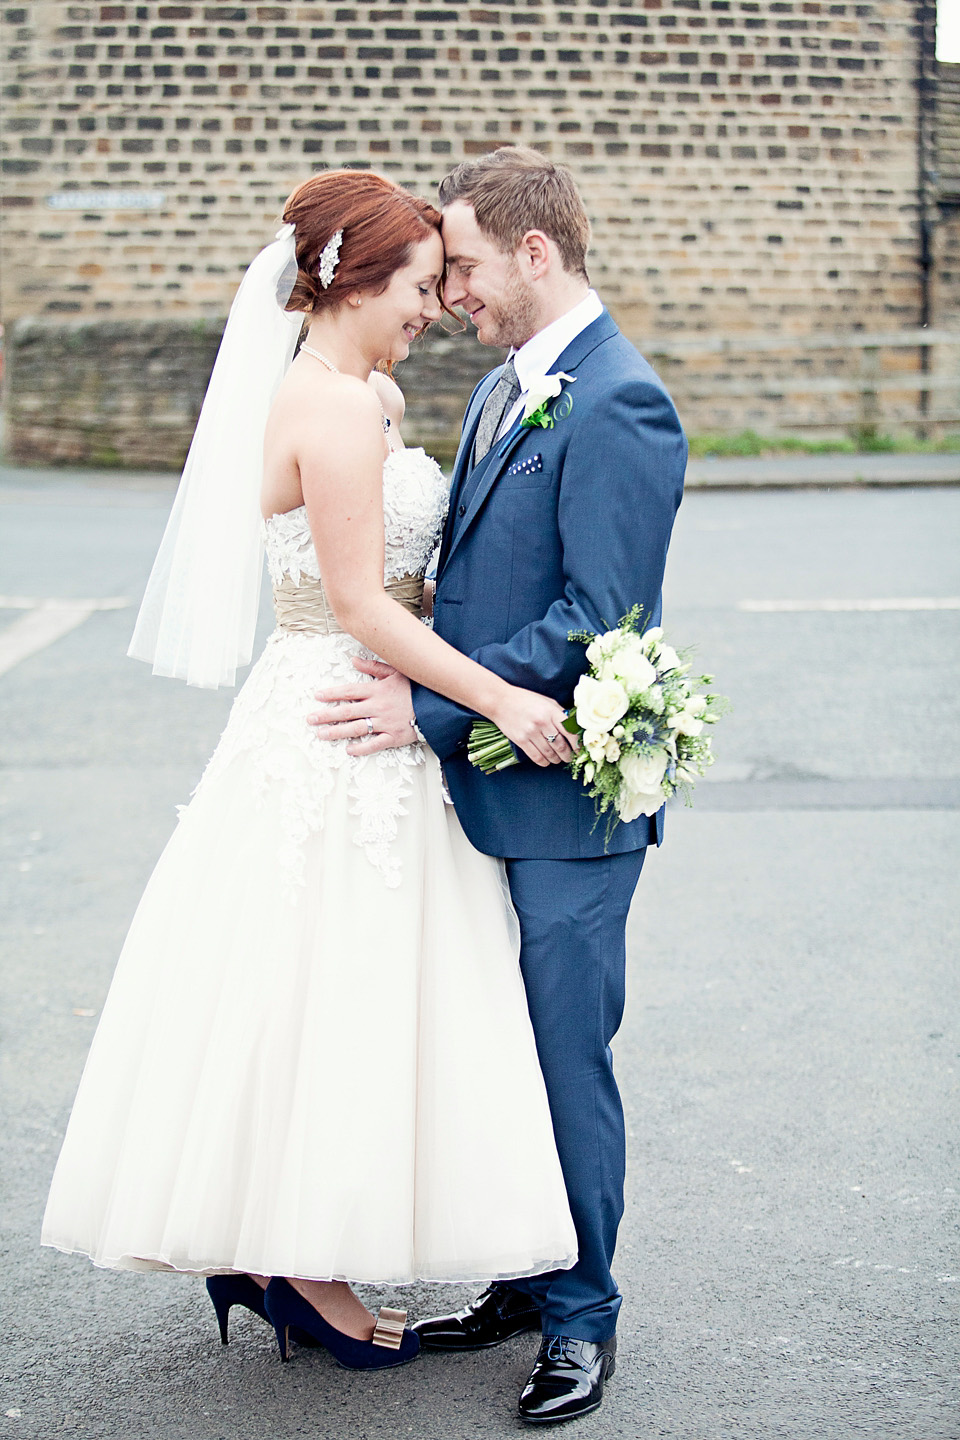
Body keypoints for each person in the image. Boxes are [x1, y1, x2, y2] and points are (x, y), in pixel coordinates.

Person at [40, 170, 580, 1373]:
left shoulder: (371, 395)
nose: (433, 310)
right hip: (335, 716)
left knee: (365, 990)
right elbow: (353, 602)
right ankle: (297, 1262)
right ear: (354, 280)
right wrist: (496, 696)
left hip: (385, 716)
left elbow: (408, 584)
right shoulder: (326, 410)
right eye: (419, 288)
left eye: (444, 288)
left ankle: (302, 1247)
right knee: (311, 987)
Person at [308, 147, 687, 1423]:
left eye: (463, 264)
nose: (450, 289)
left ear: (536, 254)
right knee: (500, 1057)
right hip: (476, 785)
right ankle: (531, 1277)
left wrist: (427, 702)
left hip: (563, 802)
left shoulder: (620, 401)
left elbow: (597, 617)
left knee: (566, 1057)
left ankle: (584, 1320)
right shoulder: (493, 394)